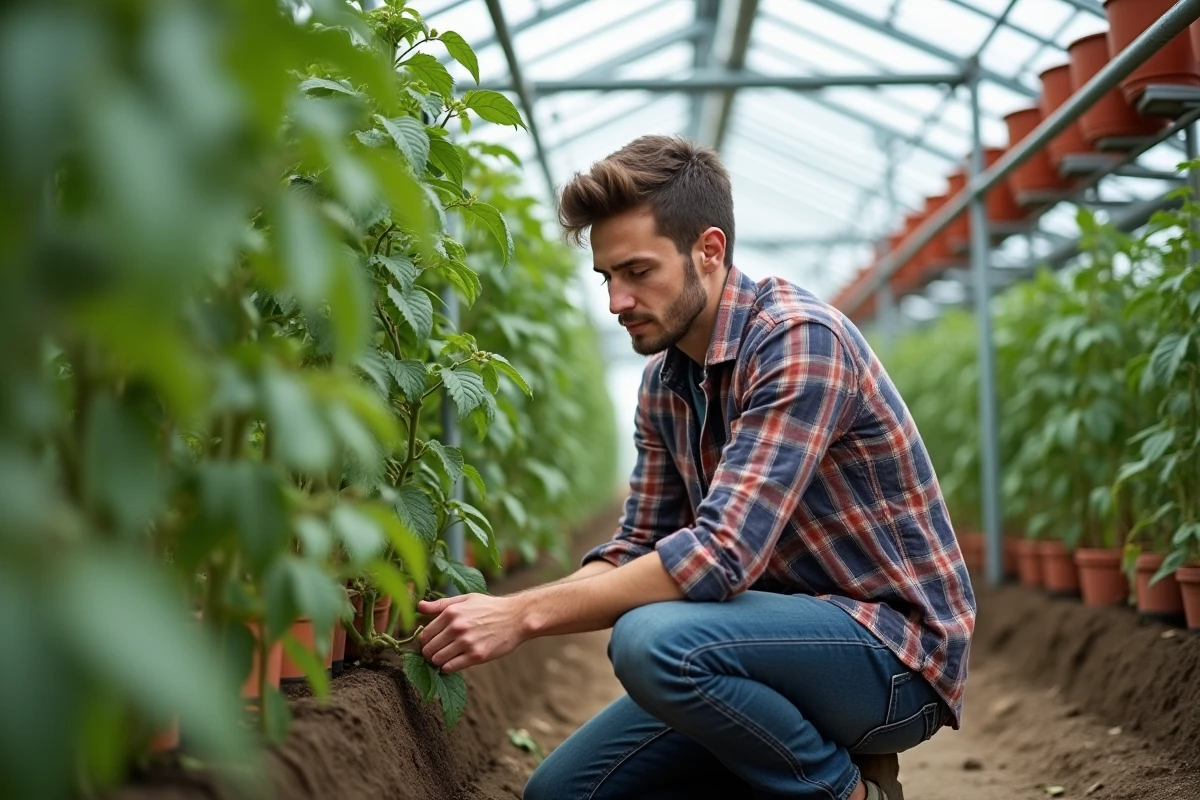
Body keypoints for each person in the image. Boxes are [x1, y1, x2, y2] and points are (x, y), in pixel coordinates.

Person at [415, 135, 976, 800]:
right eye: (607, 278)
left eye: (638, 271)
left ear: (709, 252)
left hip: (892, 657)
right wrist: (506, 609)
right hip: (764, 652)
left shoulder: (799, 341)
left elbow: (721, 556)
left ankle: (842, 791)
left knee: (650, 640)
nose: (617, 300)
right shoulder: (663, 385)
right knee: (562, 794)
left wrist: (522, 614)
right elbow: (635, 550)